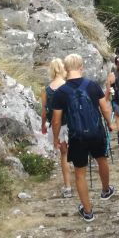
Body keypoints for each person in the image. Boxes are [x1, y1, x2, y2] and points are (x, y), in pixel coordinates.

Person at [50, 53, 115, 222]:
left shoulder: (60, 92)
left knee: (80, 173)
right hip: (96, 132)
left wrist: (56, 138)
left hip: (76, 136)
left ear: (65, 69)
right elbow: (105, 108)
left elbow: (56, 120)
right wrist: (110, 123)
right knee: (102, 159)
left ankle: (88, 211)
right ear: (81, 67)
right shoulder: (92, 85)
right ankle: (106, 190)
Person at [41, 58, 72, 198]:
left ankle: (68, 187)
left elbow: (44, 111)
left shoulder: (46, 90)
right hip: (71, 124)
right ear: (62, 69)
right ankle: (79, 180)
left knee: (64, 155)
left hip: (57, 127)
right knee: (75, 152)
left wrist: (43, 125)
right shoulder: (69, 87)